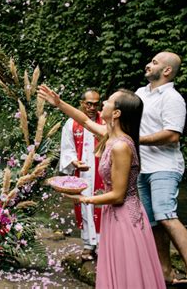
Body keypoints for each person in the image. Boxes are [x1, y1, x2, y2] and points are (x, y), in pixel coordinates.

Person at [39, 85, 165, 289]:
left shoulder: (121, 146)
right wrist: (59, 103)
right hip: (113, 216)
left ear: (116, 113)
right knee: (116, 269)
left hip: (124, 218)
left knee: (127, 272)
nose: (103, 103)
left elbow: (117, 195)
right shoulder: (110, 136)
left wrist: (84, 199)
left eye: (107, 101)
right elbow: (85, 121)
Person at [136, 51, 187, 286]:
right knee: (152, 222)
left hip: (165, 167)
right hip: (142, 167)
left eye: (154, 62)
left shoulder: (173, 98)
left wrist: (136, 139)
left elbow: (172, 135)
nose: (148, 65)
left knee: (166, 216)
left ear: (167, 70)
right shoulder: (141, 93)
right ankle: (165, 272)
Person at [59, 88, 104, 261]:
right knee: (84, 206)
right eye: (89, 104)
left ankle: (104, 244)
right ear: (81, 104)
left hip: (102, 172)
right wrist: (73, 162)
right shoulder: (71, 123)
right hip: (83, 173)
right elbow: (67, 148)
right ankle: (88, 245)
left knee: (102, 206)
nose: (93, 107)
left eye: (96, 104)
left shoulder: (105, 121)